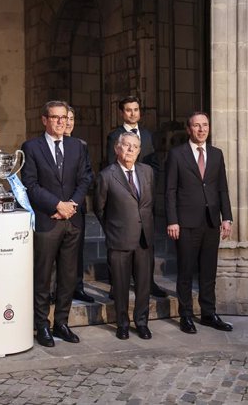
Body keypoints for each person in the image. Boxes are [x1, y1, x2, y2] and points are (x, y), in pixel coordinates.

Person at [21, 100, 93, 347]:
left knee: (68, 276)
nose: (61, 122)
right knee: (42, 276)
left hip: (72, 220)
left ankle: (61, 322)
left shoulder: (77, 146)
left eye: (64, 117)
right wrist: (56, 205)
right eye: (55, 117)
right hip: (46, 220)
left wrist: (71, 204)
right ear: (44, 120)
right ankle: (41, 325)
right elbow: (30, 184)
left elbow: (85, 179)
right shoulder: (31, 147)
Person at [165, 111, 233, 334]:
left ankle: (208, 313)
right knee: (185, 271)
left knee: (208, 271)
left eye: (205, 125)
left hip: (211, 221)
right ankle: (186, 315)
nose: (202, 129)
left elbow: (222, 187)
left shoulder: (216, 154)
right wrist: (173, 220)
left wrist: (227, 218)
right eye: (197, 125)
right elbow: (170, 191)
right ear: (188, 129)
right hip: (185, 223)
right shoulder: (177, 154)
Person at [105, 96, 167, 299]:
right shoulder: (114, 135)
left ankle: (148, 282)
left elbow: (155, 164)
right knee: (118, 244)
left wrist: (148, 184)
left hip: (144, 197)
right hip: (121, 198)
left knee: (146, 243)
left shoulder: (148, 135)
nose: (133, 113)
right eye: (129, 110)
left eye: (136, 109)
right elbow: (109, 166)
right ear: (122, 113)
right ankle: (117, 285)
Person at [94, 132, 154, 340]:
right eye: (126, 146)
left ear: (139, 150)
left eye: (134, 147)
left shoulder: (147, 172)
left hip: (144, 238)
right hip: (119, 238)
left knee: (144, 284)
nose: (130, 150)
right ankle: (122, 324)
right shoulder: (106, 175)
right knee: (119, 285)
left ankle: (142, 322)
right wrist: (113, 229)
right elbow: (100, 209)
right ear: (117, 148)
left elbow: (148, 203)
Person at [64, 107, 95, 303]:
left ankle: (78, 287)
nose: (68, 122)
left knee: (77, 250)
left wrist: (74, 201)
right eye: (65, 118)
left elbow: (87, 175)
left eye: (72, 119)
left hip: (76, 206)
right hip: (54, 208)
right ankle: (54, 290)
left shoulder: (81, 145)